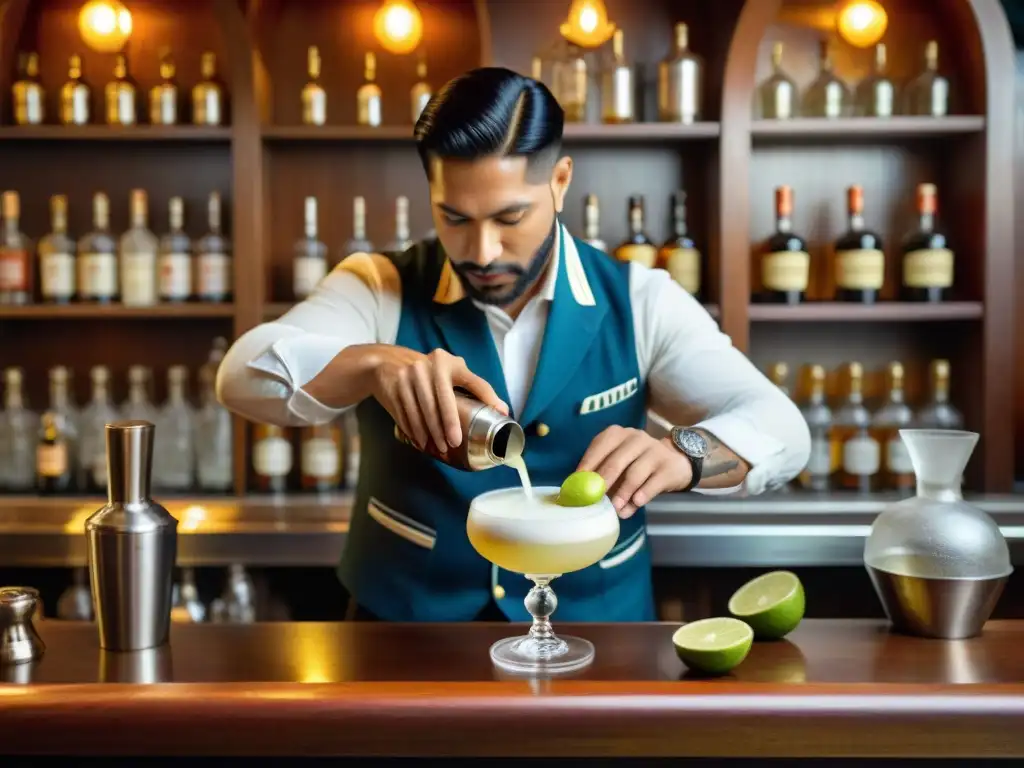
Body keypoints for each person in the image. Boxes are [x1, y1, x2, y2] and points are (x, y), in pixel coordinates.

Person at [216, 67, 810, 623]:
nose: (482, 251)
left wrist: (685, 455)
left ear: (559, 181)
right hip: (405, 634)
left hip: (599, 638)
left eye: (510, 217)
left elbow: (783, 428)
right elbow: (242, 374)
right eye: (454, 217)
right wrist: (372, 362)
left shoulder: (641, 298)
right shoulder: (379, 286)